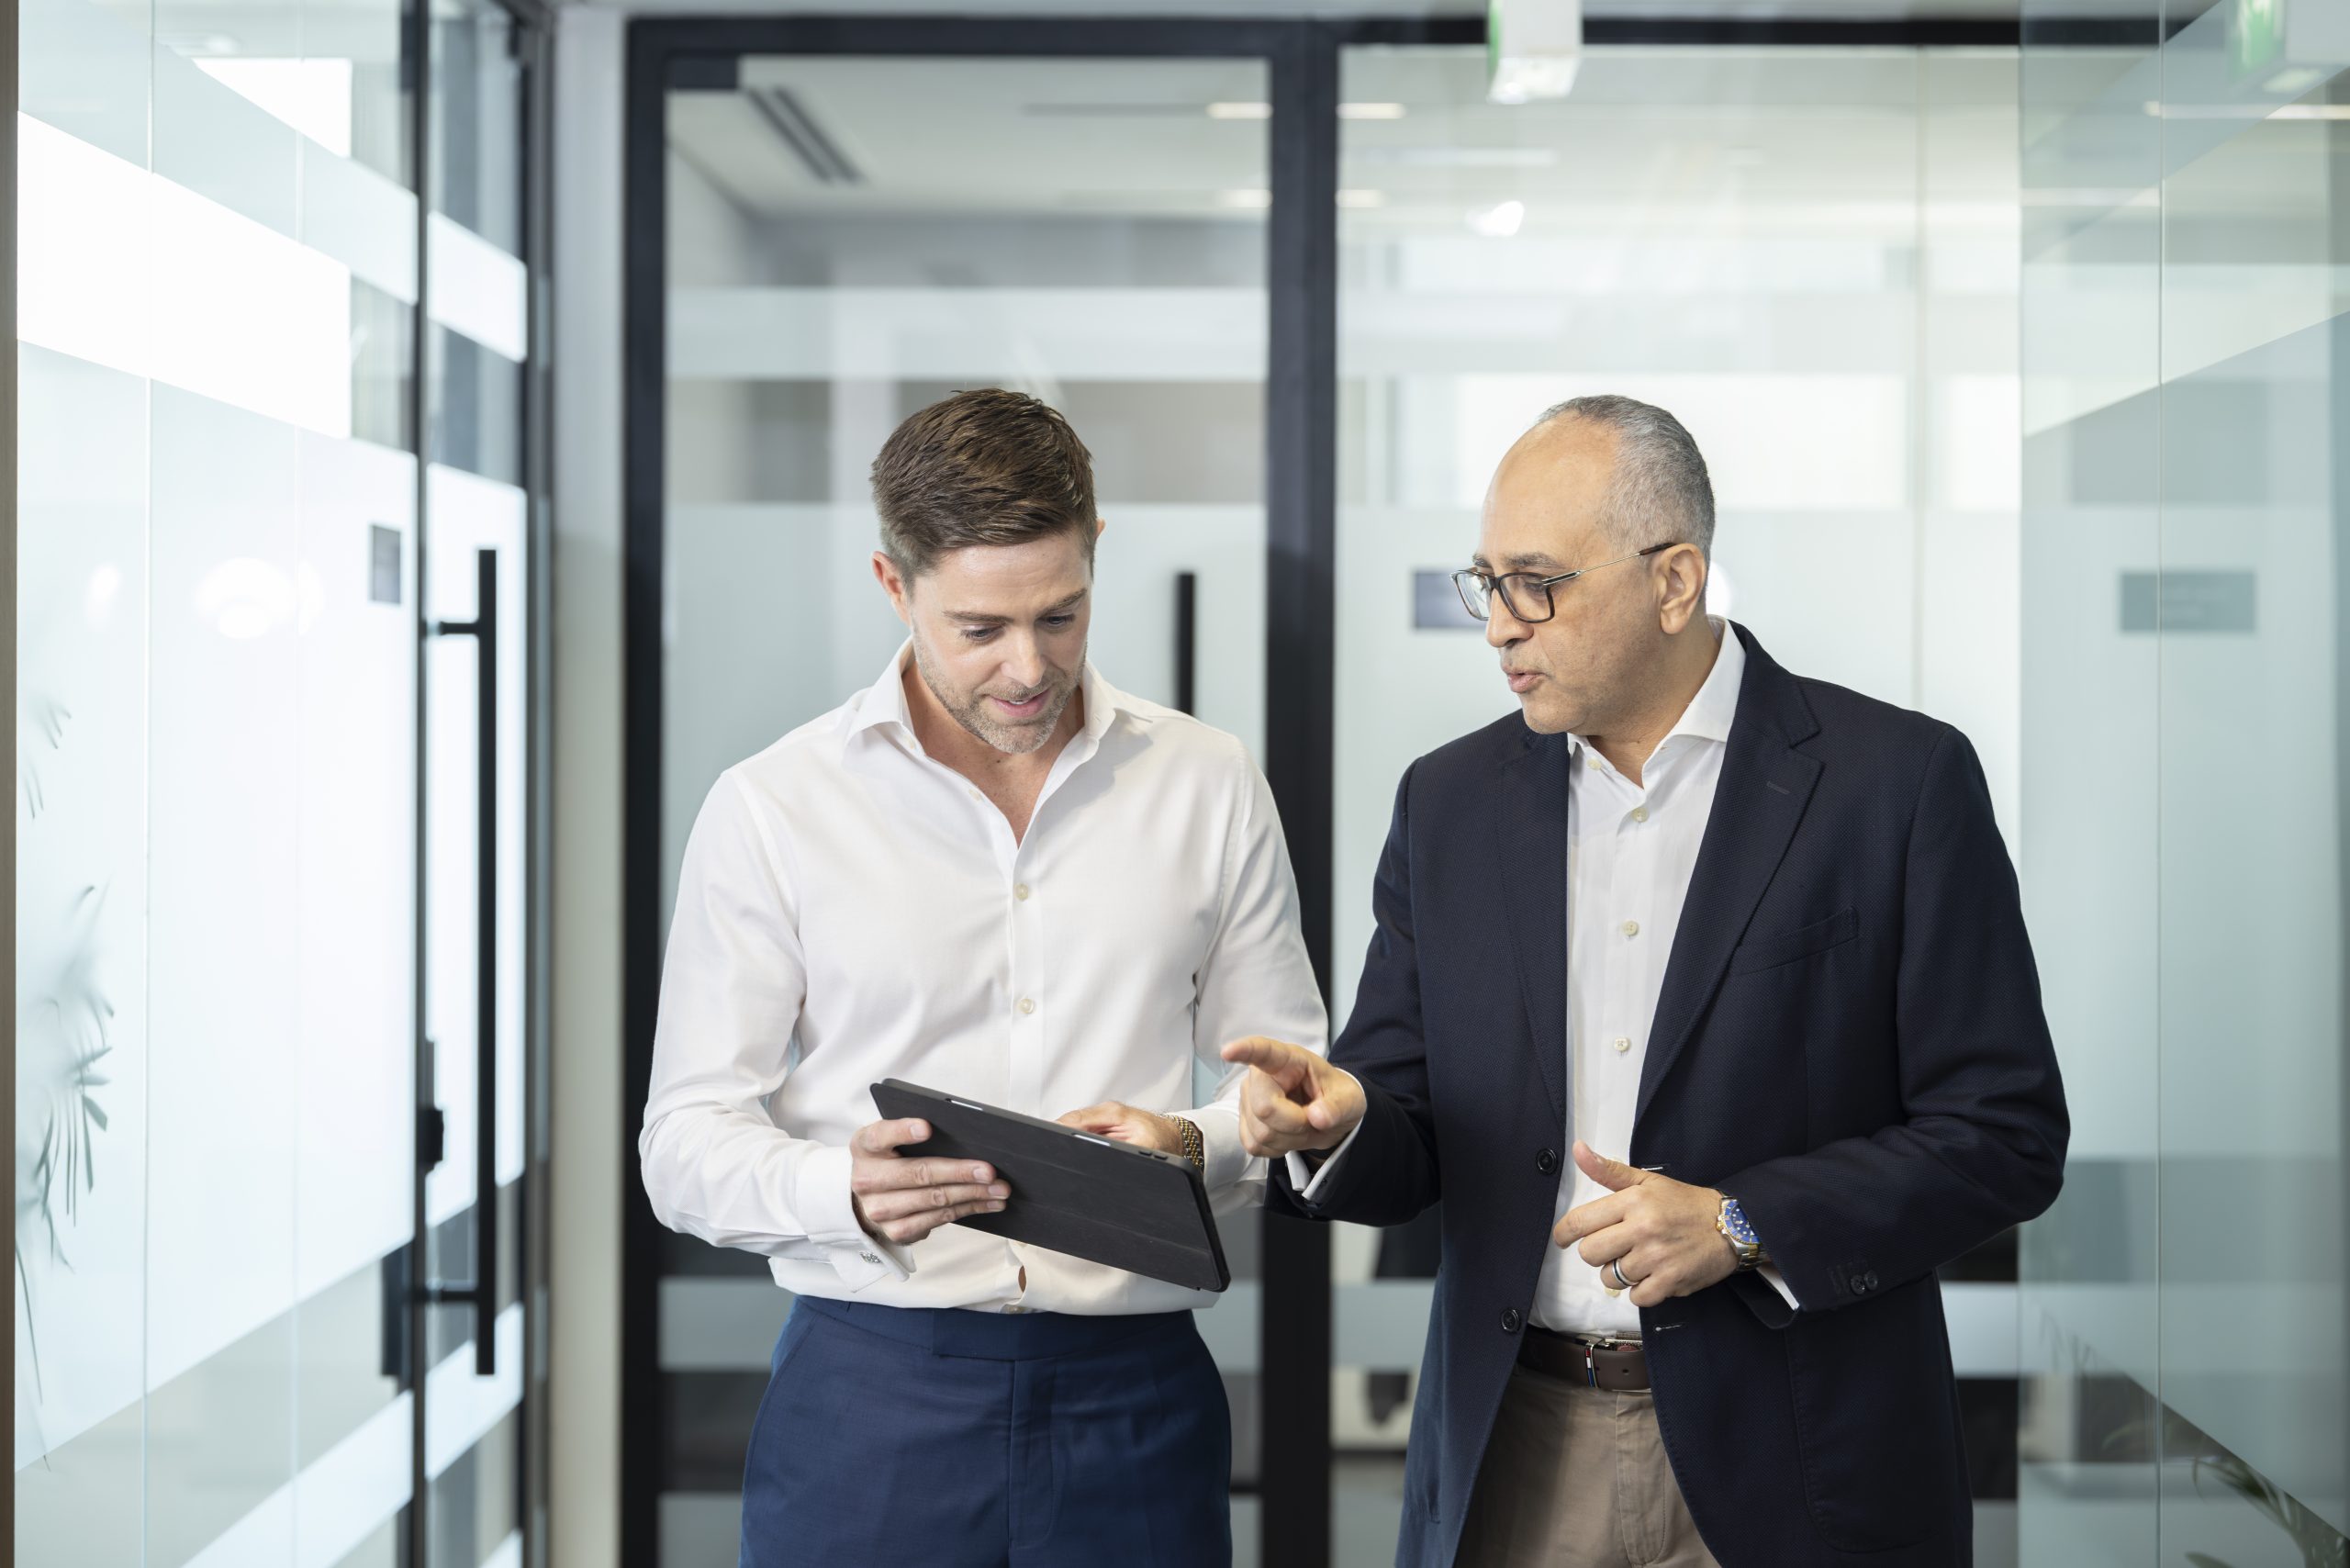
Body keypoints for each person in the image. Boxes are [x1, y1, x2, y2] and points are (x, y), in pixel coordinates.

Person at [1225, 396, 2067, 1568]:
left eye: (1536, 584)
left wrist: (1742, 1223)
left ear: (1674, 582)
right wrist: (1339, 1120)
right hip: (1519, 1446)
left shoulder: (1896, 784)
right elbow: (1406, 1117)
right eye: (1487, 584)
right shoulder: (1449, 804)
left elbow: (2002, 1133)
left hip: (1804, 1458)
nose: (1499, 628)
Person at [641, 387, 1325, 1568]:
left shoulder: (1208, 782)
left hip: (1135, 1403)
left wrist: (1194, 1140)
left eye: (1061, 615)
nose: (1028, 668)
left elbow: (1288, 1088)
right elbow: (682, 1141)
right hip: (870, 1396)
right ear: (892, 584)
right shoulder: (773, 807)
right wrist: (836, 1189)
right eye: (979, 629)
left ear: (1095, 551)